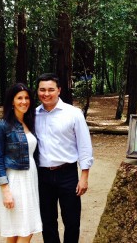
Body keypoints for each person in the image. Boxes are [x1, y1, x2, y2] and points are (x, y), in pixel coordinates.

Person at [35, 73, 94, 243]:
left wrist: (84, 176)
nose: (46, 93)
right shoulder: (33, 115)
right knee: (47, 222)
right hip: (43, 175)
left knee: (72, 221)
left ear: (59, 90)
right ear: (38, 91)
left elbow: (84, 146)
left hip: (67, 174)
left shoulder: (73, 113)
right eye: (42, 90)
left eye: (51, 89)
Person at [0, 83, 42, 243]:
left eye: (26, 98)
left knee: (15, 232)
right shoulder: (1, 126)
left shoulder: (30, 123)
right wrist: (5, 190)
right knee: (26, 229)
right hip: (14, 182)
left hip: (30, 179)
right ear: (12, 101)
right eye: (19, 98)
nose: (24, 101)